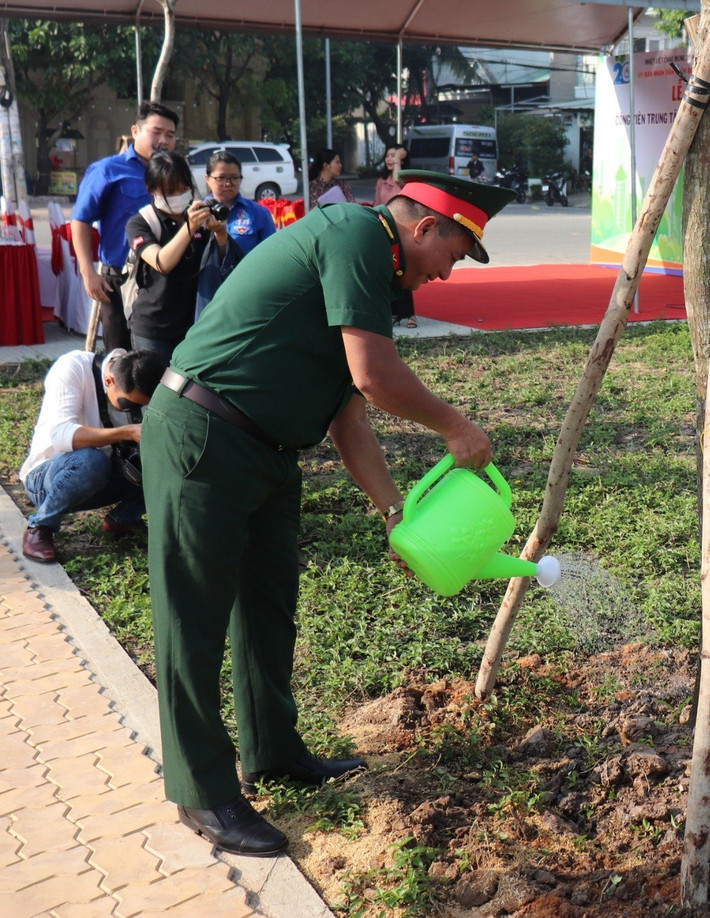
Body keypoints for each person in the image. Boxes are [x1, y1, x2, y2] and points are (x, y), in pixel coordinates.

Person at [141, 171, 516, 857]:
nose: (447, 274)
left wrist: (393, 515)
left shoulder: (373, 267)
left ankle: (274, 753)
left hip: (269, 449)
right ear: (424, 227)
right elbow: (374, 373)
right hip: (203, 434)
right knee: (192, 618)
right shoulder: (356, 237)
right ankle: (201, 790)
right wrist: (455, 427)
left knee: (268, 608)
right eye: (454, 255)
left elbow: (350, 411)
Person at [20, 348, 169, 563]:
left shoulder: (139, 374)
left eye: (144, 405)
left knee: (170, 455)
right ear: (109, 381)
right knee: (92, 460)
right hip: (47, 479)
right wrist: (126, 432)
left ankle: (122, 519)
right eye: (131, 404)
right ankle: (40, 527)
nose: (137, 410)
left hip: (102, 479)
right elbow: (61, 435)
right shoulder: (73, 367)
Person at [71, 101, 179, 353]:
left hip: (164, 279)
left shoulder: (175, 173)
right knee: (120, 358)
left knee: (160, 356)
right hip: (118, 279)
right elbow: (81, 219)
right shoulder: (108, 170)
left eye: (170, 135)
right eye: (157, 132)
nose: (164, 140)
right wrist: (88, 273)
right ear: (135, 131)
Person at [126, 151, 230, 363]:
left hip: (194, 324)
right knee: (155, 390)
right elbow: (161, 262)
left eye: (184, 189)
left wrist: (220, 232)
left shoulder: (197, 215)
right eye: (171, 191)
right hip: (153, 329)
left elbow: (221, 262)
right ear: (152, 189)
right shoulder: (141, 222)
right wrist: (189, 227)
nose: (180, 195)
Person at [204, 149, 277, 258]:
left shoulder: (259, 213)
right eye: (221, 178)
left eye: (234, 178)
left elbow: (272, 254)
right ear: (207, 179)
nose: (228, 183)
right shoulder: (198, 213)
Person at [375, 144, 417, 328]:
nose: (389, 159)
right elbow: (377, 204)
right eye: (387, 156)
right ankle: (393, 312)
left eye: (394, 156)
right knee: (389, 274)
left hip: (403, 231)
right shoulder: (381, 181)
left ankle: (409, 314)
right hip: (385, 231)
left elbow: (401, 184)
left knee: (403, 272)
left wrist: (400, 161)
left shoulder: (406, 180)